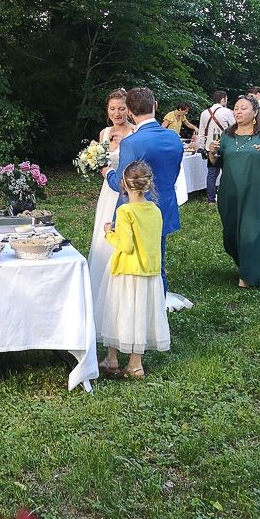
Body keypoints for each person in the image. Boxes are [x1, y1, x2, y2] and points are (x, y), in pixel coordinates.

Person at [102, 87, 184, 294]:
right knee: (157, 262)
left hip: (137, 211)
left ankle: (136, 306)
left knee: (132, 264)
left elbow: (121, 183)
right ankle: (158, 306)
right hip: (165, 206)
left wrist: (107, 172)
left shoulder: (132, 142)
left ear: (129, 111)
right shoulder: (174, 137)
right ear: (155, 106)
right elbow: (175, 172)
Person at [96, 161, 170, 380]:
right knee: (140, 314)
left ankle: (112, 359)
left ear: (124, 184)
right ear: (149, 184)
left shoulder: (125, 211)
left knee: (116, 310)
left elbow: (126, 246)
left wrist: (109, 233)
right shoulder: (155, 210)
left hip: (127, 271)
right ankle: (135, 363)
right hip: (149, 271)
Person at [207, 95, 260, 287]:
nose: (238, 112)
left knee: (255, 231)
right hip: (231, 193)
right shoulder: (227, 135)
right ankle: (246, 265)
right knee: (233, 232)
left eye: (243, 108)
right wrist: (211, 153)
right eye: (236, 108)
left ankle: (252, 275)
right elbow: (216, 162)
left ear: (255, 112)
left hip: (258, 193)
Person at [88, 89, 137, 318]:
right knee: (103, 236)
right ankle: (99, 286)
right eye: (112, 109)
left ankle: (120, 290)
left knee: (122, 236)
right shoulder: (104, 133)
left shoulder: (135, 132)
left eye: (121, 108)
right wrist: (92, 157)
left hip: (127, 193)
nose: (117, 113)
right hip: (107, 192)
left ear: (129, 109)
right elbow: (99, 163)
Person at [197, 91, 235, 205]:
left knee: (212, 174)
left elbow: (201, 133)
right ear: (223, 100)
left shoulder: (204, 113)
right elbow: (235, 127)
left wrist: (205, 146)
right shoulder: (227, 112)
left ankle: (211, 199)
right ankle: (227, 196)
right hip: (226, 146)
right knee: (227, 173)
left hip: (211, 147)